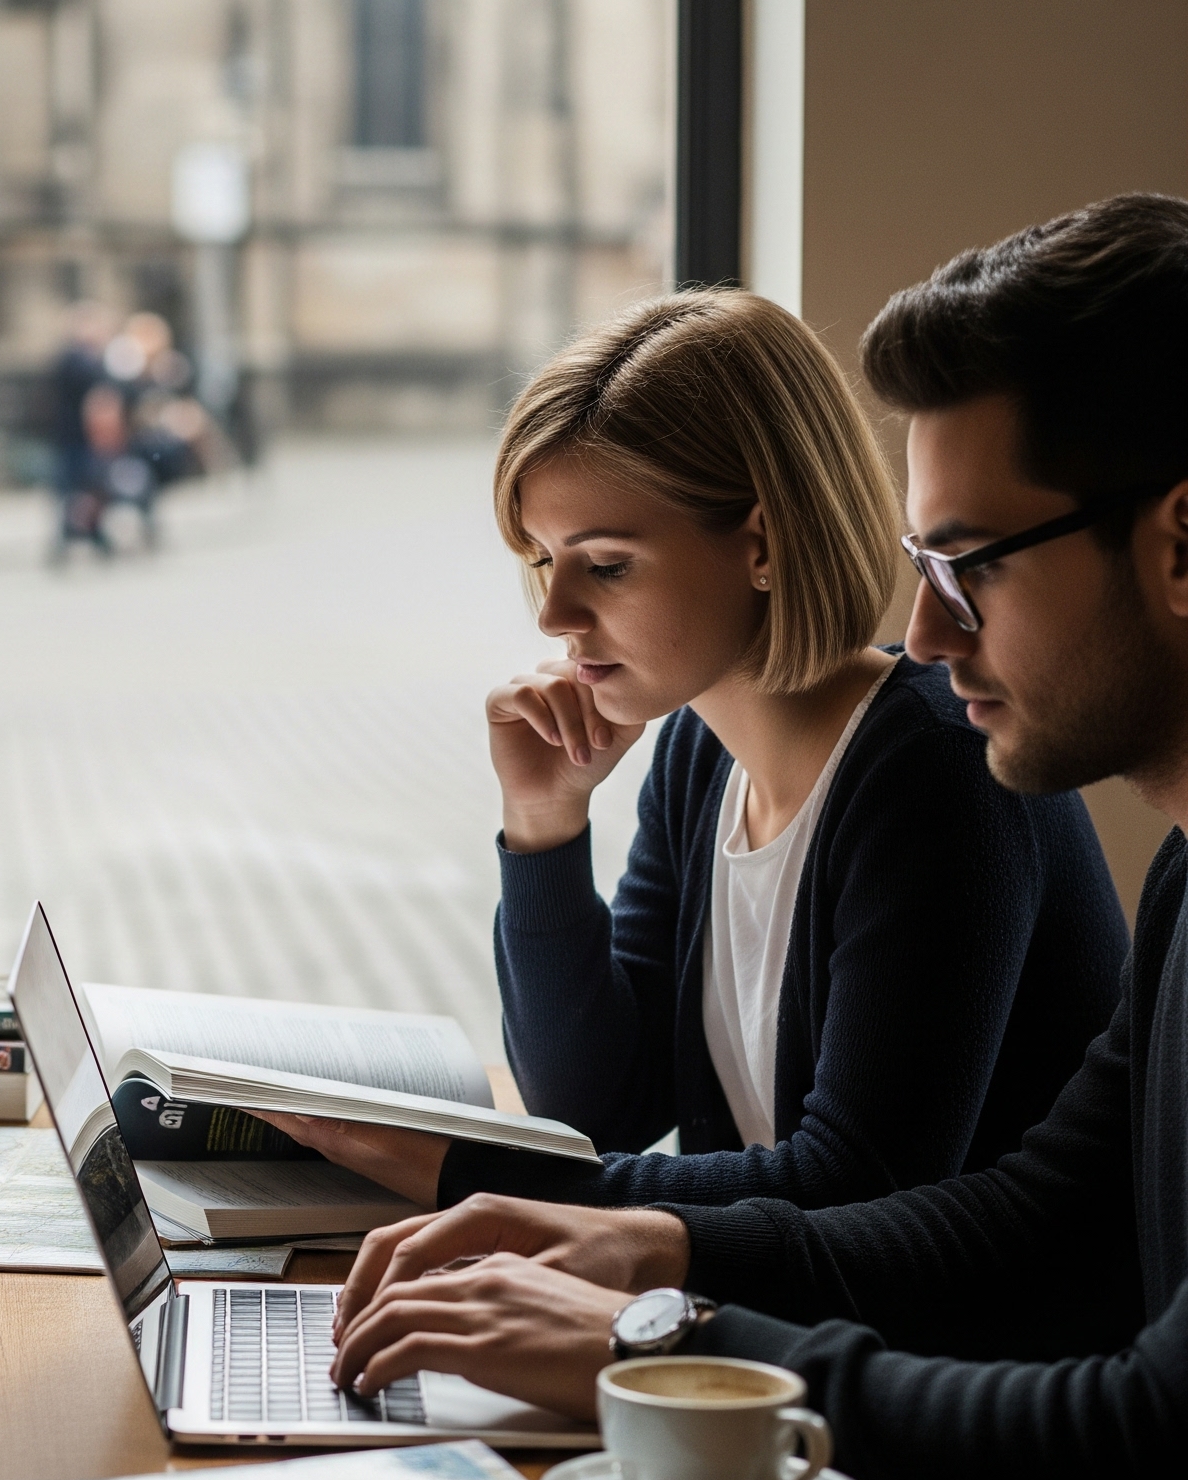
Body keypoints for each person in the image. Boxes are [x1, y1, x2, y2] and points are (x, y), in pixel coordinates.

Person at [324, 193, 1188, 1480]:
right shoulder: (1181, 873)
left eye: (974, 565)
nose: (931, 633)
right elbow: (1029, 1209)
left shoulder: (930, 770)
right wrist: (649, 1250)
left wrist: (655, 1315)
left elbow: (1111, 1411)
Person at [273, 289, 1124, 1217]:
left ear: (762, 543)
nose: (554, 615)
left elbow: (855, 1188)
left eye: (607, 565)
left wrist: (465, 1173)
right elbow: (599, 1107)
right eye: (543, 560)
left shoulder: (938, 768)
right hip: (762, 1309)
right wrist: (544, 824)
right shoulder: (699, 756)